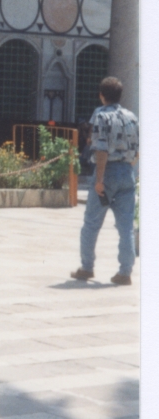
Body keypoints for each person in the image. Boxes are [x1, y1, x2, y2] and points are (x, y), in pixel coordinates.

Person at [71, 76, 139, 286]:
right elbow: (139, 148)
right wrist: (130, 167)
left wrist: (99, 179)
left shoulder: (101, 116)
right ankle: (125, 272)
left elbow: (100, 149)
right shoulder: (131, 116)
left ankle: (87, 267)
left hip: (106, 174)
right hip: (127, 173)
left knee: (91, 224)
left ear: (102, 95)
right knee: (126, 226)